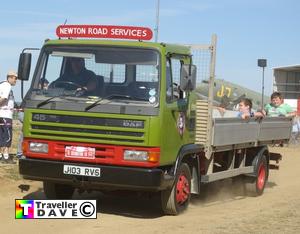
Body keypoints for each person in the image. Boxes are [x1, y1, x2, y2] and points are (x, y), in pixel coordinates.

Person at [0, 70, 18, 163]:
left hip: (2, 114)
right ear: (10, 77)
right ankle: (6, 157)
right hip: (6, 115)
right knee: (7, 135)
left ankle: (1, 155)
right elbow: (4, 98)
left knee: (1, 135)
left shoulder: (2, 84)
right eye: (15, 78)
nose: (16, 80)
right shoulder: (7, 85)